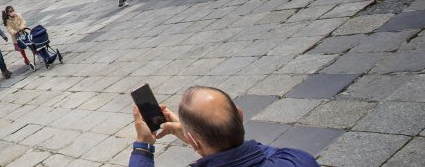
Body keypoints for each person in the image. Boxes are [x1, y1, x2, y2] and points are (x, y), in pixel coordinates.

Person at [128, 86, 319, 167]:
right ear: (240, 115)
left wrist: (143, 145)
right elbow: (255, 154)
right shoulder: (298, 159)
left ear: (193, 142)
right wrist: (196, 139)